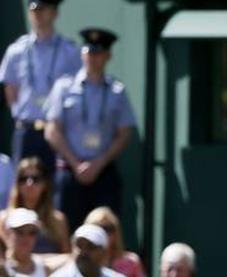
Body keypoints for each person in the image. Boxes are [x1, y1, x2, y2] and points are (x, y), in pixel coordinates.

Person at [44, 28, 136, 230]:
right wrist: (76, 164)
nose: (92, 58)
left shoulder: (117, 91)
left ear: (108, 56)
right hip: (70, 171)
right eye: (88, 52)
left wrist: (98, 163)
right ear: (82, 53)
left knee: (105, 230)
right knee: (67, 230)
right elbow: (52, 130)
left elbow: (125, 133)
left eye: (98, 53)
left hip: (103, 172)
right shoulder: (64, 88)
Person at [0, 0, 81, 179]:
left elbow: (76, 91)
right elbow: (10, 88)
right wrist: (20, 115)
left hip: (57, 132)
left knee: (54, 187)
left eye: (43, 9)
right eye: (33, 10)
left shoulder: (69, 51)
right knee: (22, 186)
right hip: (26, 130)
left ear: (54, 13)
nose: (37, 14)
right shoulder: (16, 51)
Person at [1, 156, 70, 253]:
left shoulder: (58, 220)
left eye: (35, 179)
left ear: (45, 184)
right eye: (23, 179)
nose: (29, 184)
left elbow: (67, 257)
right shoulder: (4, 219)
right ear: (17, 185)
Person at [84, 206, 149, 277]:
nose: (104, 233)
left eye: (109, 228)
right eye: (99, 228)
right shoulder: (81, 260)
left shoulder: (131, 261)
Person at [4, 208, 48, 277]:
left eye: (32, 233)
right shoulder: (2, 264)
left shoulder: (45, 267)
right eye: (20, 232)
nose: (26, 238)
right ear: (8, 233)